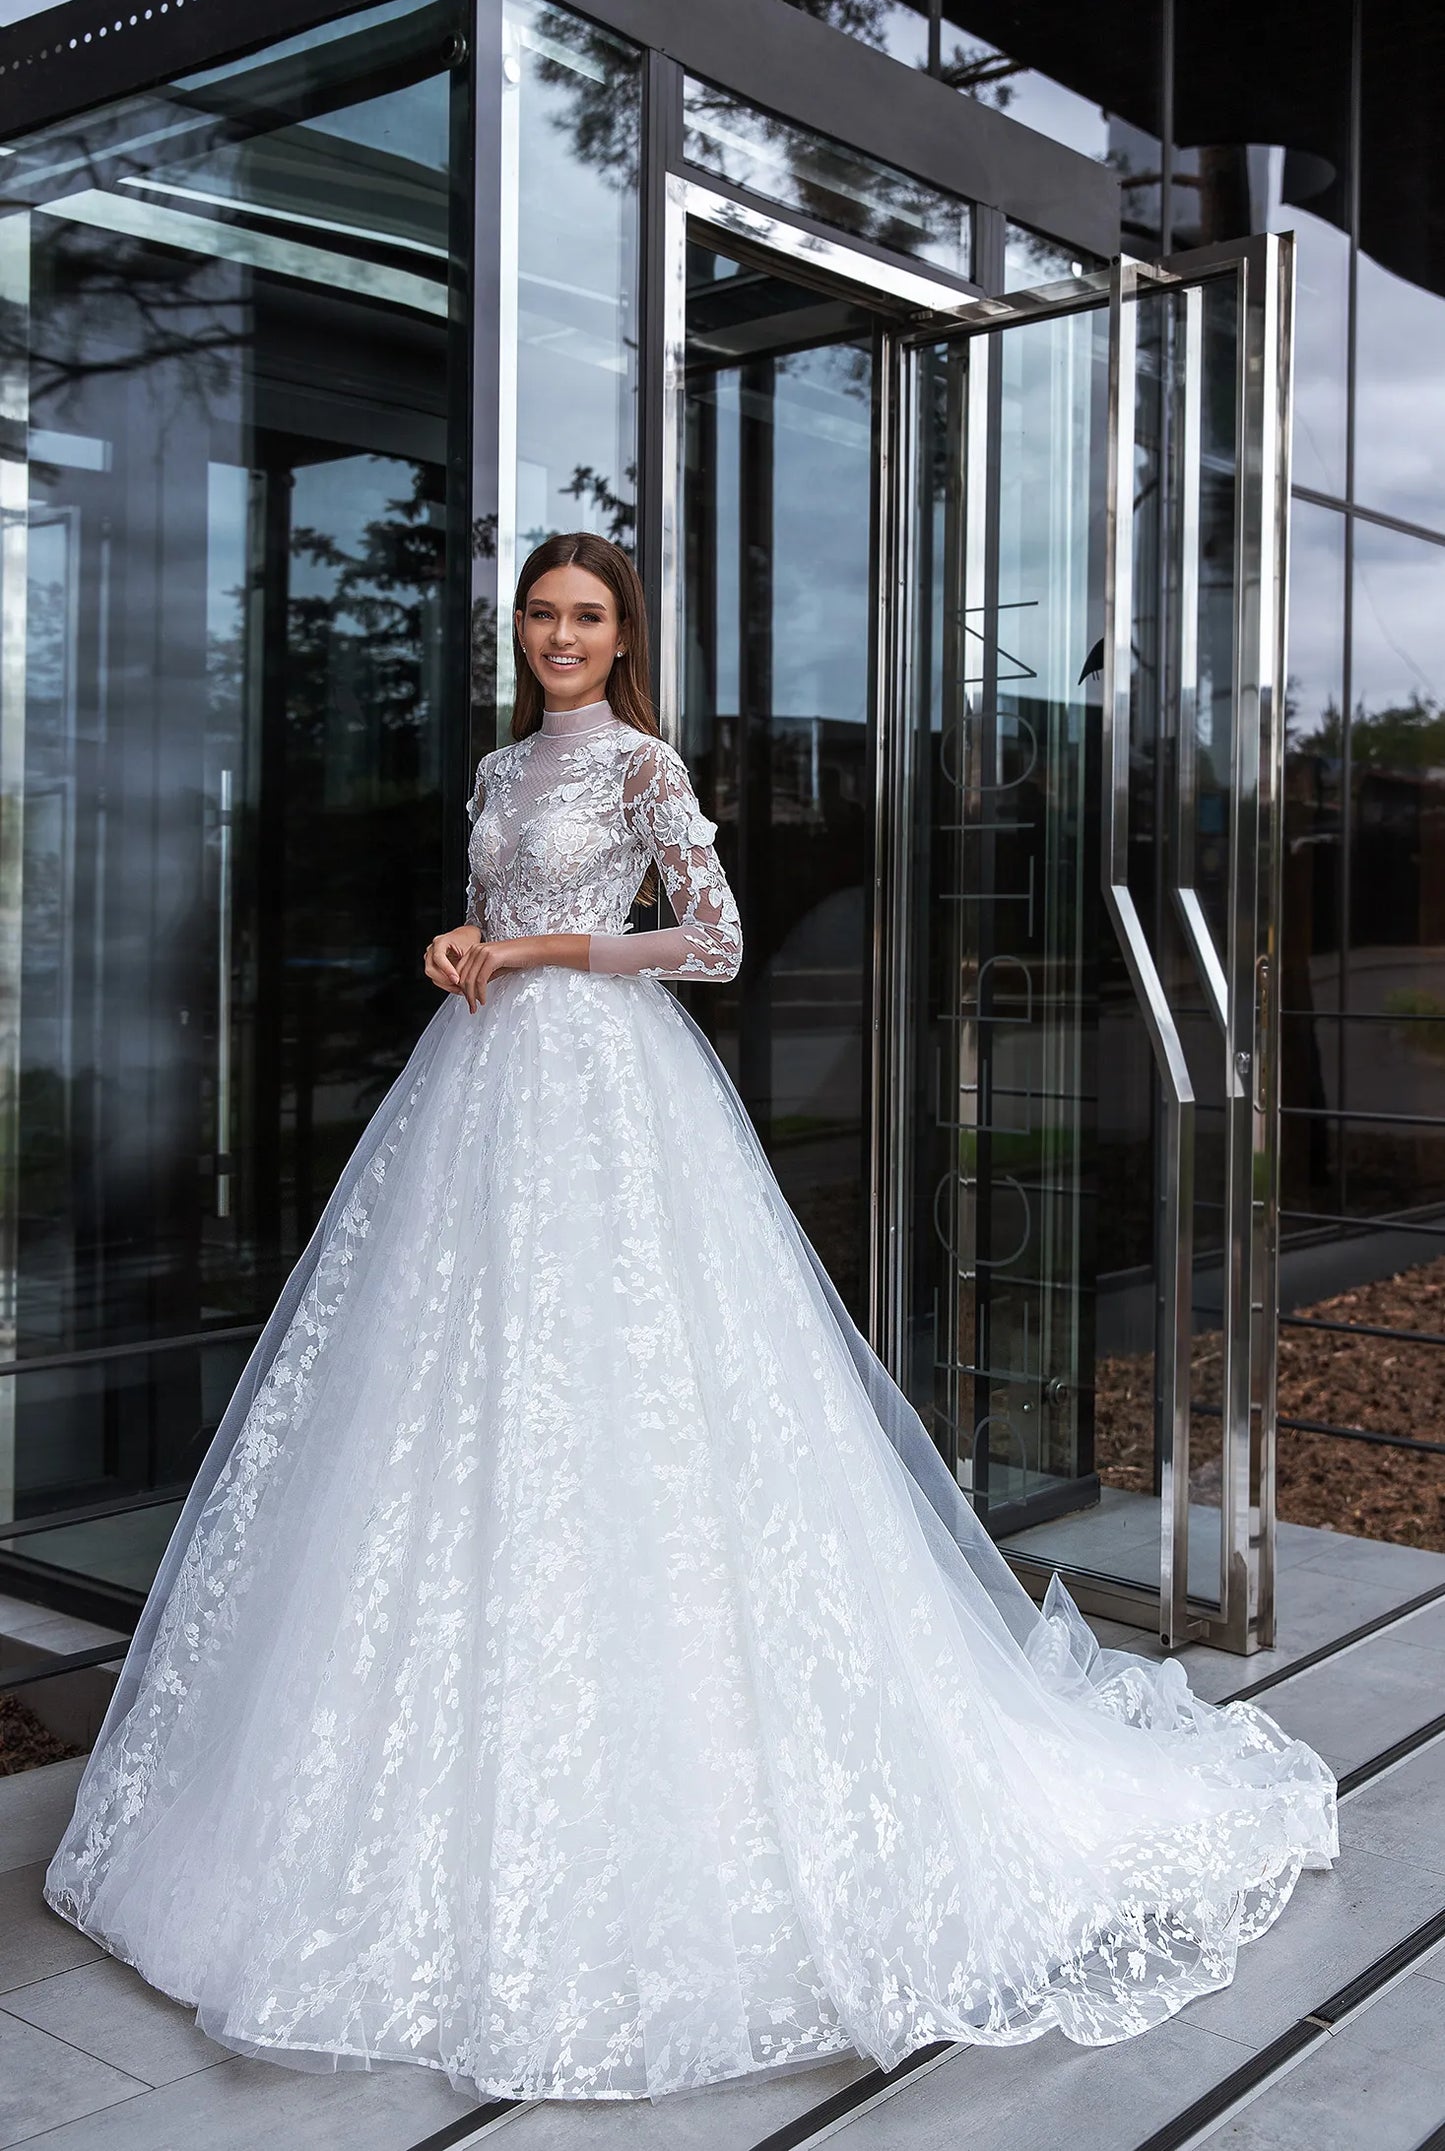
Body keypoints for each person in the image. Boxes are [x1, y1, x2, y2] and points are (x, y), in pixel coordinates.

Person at [42, 530, 1338, 2107]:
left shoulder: (644, 765)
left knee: (642, 1405)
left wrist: (532, 948)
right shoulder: (497, 772)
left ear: (622, 633)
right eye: (540, 613)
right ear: (517, 629)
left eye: (586, 616)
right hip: (485, 1097)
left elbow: (708, 943)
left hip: (608, 1094)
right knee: (436, 1411)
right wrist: (463, 945)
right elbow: (491, 925)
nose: (560, 636)